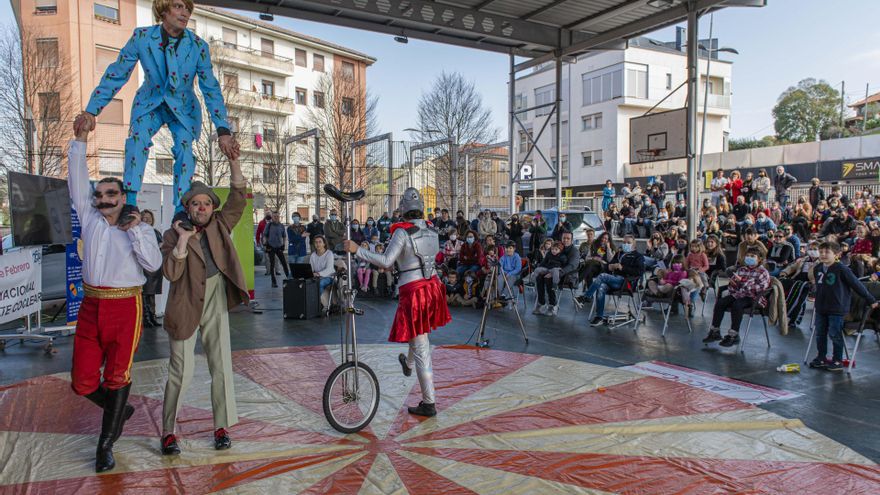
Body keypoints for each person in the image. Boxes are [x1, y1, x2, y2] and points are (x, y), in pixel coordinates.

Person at [75, 0, 237, 213]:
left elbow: (211, 89)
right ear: (163, 9)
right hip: (150, 102)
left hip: (183, 108)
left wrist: (223, 129)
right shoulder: (142, 37)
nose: (185, 13)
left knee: (185, 150)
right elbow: (118, 73)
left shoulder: (198, 47)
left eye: (188, 8)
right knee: (136, 139)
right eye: (179, 6)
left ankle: (181, 209)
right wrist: (92, 109)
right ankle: (130, 202)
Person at [67, 123, 162, 473]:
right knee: (82, 381)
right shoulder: (89, 218)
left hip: (126, 305)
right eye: (100, 194)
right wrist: (79, 141)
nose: (103, 199)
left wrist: (136, 229)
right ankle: (119, 408)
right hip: (91, 304)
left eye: (111, 194)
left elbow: (154, 264)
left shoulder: (140, 227)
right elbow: (76, 181)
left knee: (118, 375)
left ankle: (105, 445)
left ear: (123, 197)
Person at [158, 149, 249, 458]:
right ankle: (168, 431)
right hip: (184, 303)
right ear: (187, 207)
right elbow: (171, 273)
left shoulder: (220, 224)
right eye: (196, 203)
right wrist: (183, 240)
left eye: (207, 203)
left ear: (213, 207)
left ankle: (221, 426)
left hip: (215, 296)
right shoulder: (172, 235)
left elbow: (238, 196)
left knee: (221, 364)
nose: (202, 207)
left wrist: (234, 162)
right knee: (180, 372)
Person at [344, 188, 451, 417]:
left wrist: (357, 251)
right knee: (419, 333)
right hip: (432, 287)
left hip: (413, 290)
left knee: (421, 344)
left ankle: (429, 402)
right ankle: (409, 365)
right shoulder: (432, 231)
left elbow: (385, 261)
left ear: (402, 210)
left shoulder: (402, 233)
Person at [809, 241, 878, 371]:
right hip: (821, 307)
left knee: (835, 333)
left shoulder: (842, 269)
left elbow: (857, 285)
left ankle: (837, 360)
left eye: (827, 252)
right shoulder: (818, 268)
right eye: (821, 252)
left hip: (837, 308)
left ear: (837, 254)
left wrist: (870, 299)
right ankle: (821, 357)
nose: (823, 254)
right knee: (820, 333)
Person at [703, 246, 770, 347]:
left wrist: (743, 283)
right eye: (747, 256)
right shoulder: (741, 269)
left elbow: (760, 288)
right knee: (721, 302)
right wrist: (733, 284)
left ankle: (734, 335)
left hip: (754, 297)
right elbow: (733, 286)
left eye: (752, 256)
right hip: (739, 294)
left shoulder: (763, 272)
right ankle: (715, 331)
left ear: (759, 259)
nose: (749, 258)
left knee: (737, 305)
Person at [583, 235, 645, 326]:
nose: (625, 244)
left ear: (634, 244)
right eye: (624, 242)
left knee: (602, 276)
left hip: (626, 283)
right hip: (614, 280)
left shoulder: (638, 256)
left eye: (628, 243)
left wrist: (622, 267)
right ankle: (599, 316)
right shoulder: (619, 254)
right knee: (601, 287)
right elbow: (609, 265)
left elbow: (640, 272)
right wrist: (610, 266)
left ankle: (586, 297)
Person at [535, 232, 578, 316]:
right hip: (552, 270)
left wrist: (557, 273)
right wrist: (539, 269)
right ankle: (542, 302)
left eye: (568, 238)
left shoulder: (574, 251)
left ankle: (552, 305)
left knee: (549, 279)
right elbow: (545, 261)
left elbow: (572, 266)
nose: (565, 240)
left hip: (567, 275)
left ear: (572, 240)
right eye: (564, 238)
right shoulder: (556, 248)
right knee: (539, 277)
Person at [140, 209, 164, 328]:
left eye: (149, 218)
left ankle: (152, 317)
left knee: (152, 294)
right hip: (144, 268)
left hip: (156, 269)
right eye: (144, 218)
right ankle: (146, 319)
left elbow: (161, 246)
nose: (147, 219)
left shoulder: (156, 232)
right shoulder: (139, 232)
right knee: (144, 294)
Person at [261, 211, 290, 288]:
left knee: (284, 263)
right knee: (272, 265)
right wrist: (265, 244)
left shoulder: (281, 226)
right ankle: (273, 282)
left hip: (279, 247)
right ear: (272, 217)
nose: (276, 218)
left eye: (277, 216)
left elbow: (284, 236)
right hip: (271, 247)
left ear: (279, 217)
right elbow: (265, 235)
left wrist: (283, 245)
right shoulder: (269, 225)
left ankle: (289, 278)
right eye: (274, 216)